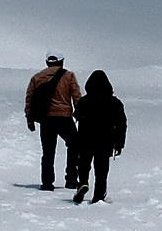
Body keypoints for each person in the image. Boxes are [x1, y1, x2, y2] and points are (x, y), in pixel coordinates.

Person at [23, 54, 81, 190]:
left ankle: (47, 183)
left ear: (47, 62)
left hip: (46, 119)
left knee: (48, 151)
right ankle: (71, 179)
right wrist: (81, 115)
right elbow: (77, 97)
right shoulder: (69, 76)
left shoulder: (37, 77)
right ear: (62, 61)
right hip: (65, 118)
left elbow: (29, 99)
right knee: (74, 146)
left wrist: (30, 119)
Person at [70, 71, 126, 202]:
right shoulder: (115, 103)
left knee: (84, 163)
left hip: (86, 138)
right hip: (106, 140)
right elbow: (121, 124)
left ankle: (83, 182)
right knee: (102, 169)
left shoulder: (84, 101)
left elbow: (76, 115)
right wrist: (119, 143)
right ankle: (99, 195)